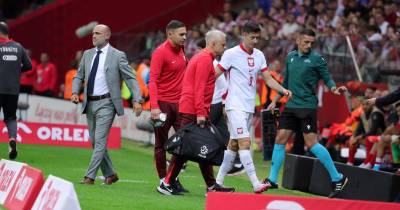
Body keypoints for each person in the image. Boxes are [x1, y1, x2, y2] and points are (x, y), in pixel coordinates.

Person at [262, 29, 349, 198]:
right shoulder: (290, 57)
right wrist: (275, 100)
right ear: (298, 40)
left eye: (311, 43)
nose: (309, 45)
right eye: (306, 42)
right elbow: (285, 82)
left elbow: (327, 78)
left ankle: (338, 178)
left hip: (307, 107)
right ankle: (272, 179)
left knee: (311, 144)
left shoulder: (316, 59)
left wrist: (334, 89)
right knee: (280, 139)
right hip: (291, 105)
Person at [214, 21, 292, 194]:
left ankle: (216, 184)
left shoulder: (259, 55)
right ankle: (256, 183)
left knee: (233, 145)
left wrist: (283, 90)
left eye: (258, 37)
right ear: (244, 34)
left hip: (248, 107)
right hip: (235, 106)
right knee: (245, 142)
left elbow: (269, 79)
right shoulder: (231, 54)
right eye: (252, 37)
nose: (255, 41)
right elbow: (215, 75)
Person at [157, 30, 235, 195]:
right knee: (185, 148)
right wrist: (201, 112)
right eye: (222, 44)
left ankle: (211, 186)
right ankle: (167, 182)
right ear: (213, 44)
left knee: (202, 146)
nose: (224, 47)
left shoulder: (204, 58)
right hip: (193, 110)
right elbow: (198, 88)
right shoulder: (205, 59)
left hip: (194, 109)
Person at [71, 24, 143, 185]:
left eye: (97, 33)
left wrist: (137, 99)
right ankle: (110, 174)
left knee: (100, 140)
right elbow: (78, 75)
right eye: (93, 33)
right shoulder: (87, 54)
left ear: (107, 36)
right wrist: (75, 92)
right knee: (95, 141)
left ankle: (89, 177)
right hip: (89, 103)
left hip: (107, 103)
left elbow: (131, 78)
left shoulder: (118, 55)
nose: (93, 36)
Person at [149, 20, 188, 192]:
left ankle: (172, 178)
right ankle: (163, 180)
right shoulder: (160, 53)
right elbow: (153, 81)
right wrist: (154, 106)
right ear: (169, 34)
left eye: (185, 34)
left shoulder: (182, 49)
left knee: (185, 142)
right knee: (161, 144)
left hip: (180, 105)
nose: (185, 38)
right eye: (181, 34)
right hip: (163, 106)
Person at [0, 21, 32, 160]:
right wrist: (15, 70)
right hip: (12, 90)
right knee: (11, 117)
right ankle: (12, 139)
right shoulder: (19, 47)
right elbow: (29, 66)